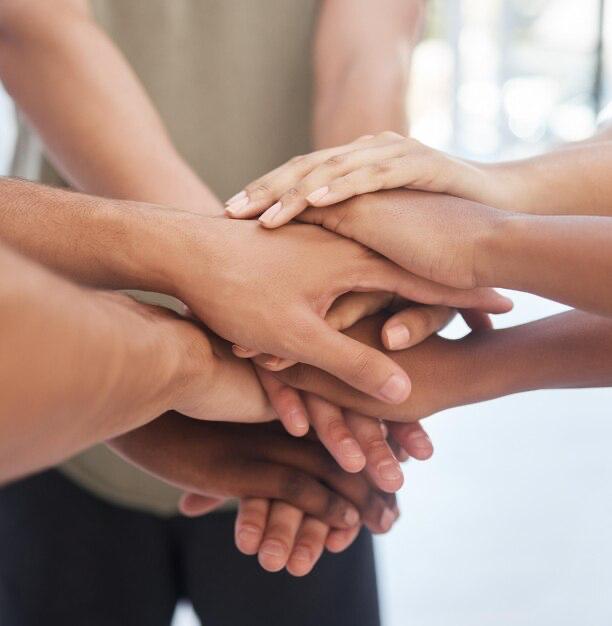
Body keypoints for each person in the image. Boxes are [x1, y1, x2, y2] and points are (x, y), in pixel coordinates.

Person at [0, 3, 442, 624]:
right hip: (60, 378)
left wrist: (358, 228)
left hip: (303, 412)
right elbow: (32, 30)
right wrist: (245, 293)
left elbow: (366, 47)